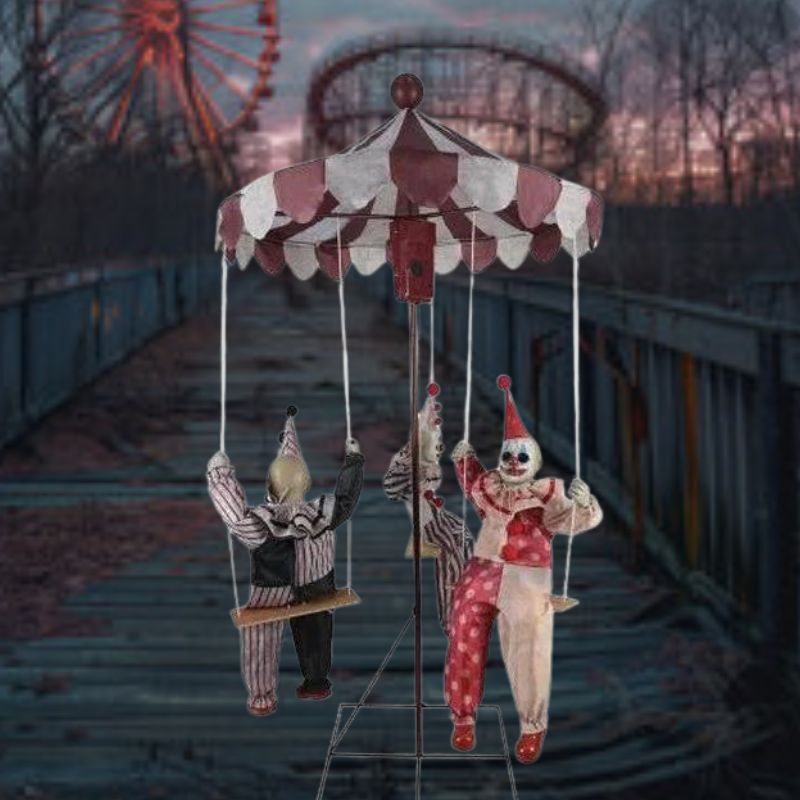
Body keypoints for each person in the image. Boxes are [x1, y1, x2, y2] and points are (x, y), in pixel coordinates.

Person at [446, 376, 602, 763]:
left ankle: (533, 725)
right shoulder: (492, 489)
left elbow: (574, 522)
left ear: (533, 463)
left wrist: (585, 503)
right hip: (483, 568)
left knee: (528, 650)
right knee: (463, 634)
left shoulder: (547, 497)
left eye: (521, 458)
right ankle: (463, 718)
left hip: (527, 577)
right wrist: (463, 458)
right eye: (508, 457)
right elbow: (473, 484)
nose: (513, 464)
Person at [207, 405, 364, 716]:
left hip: (272, 588)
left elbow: (234, 514)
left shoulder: (261, 524)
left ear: (270, 487)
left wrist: (219, 475)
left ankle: (262, 698)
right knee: (316, 629)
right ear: (304, 484)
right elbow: (347, 498)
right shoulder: (322, 513)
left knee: (260, 637)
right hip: (318, 582)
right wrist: (353, 462)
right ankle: (316, 681)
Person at [383, 383, 473, 632]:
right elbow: (391, 488)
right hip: (424, 522)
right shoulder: (410, 464)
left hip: (436, 515)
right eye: (435, 447)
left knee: (462, 533)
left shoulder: (430, 463)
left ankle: (468, 589)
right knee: (451, 545)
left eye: (440, 448)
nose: (438, 452)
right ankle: (451, 613)